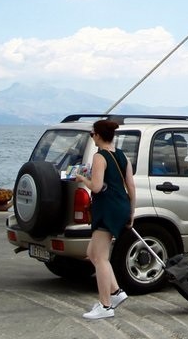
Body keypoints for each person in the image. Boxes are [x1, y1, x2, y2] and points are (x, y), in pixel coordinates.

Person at [72, 119, 136, 320]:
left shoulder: (100, 157)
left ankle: (105, 306)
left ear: (98, 136)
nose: (92, 137)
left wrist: (82, 179)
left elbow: (97, 187)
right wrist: (131, 212)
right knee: (92, 252)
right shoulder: (122, 155)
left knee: (100, 258)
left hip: (106, 208)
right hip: (121, 207)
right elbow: (131, 187)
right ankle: (116, 293)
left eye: (92, 134)